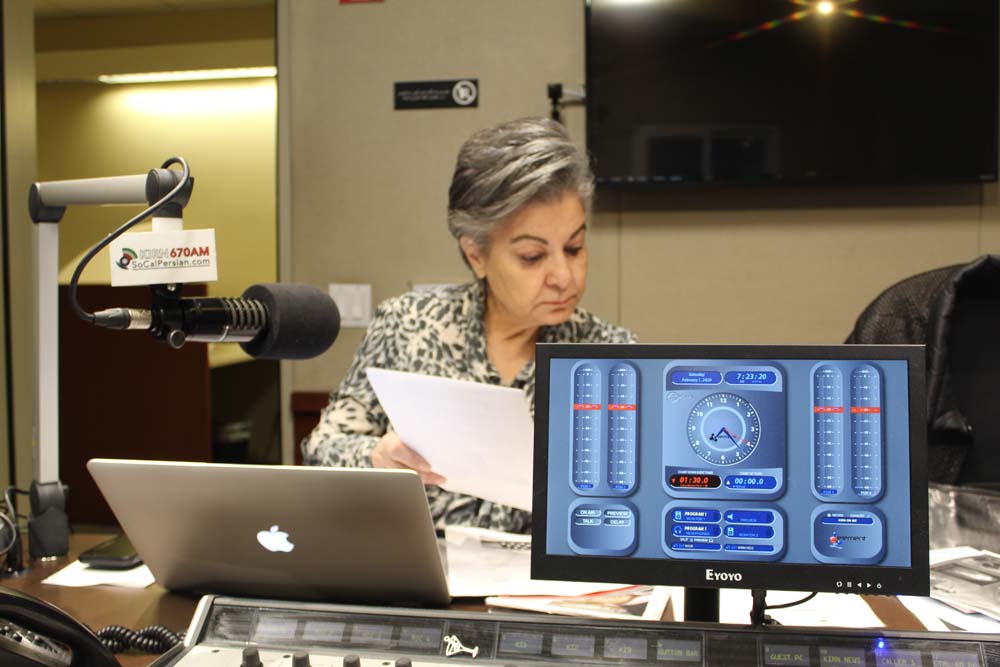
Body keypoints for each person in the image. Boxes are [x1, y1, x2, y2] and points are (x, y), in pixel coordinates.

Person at [302, 117, 636, 532]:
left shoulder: (607, 354)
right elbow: (322, 448)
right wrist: (377, 455)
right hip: (417, 579)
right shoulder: (410, 324)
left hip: (544, 591)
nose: (564, 277)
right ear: (476, 255)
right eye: (533, 256)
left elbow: (629, 508)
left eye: (574, 248)